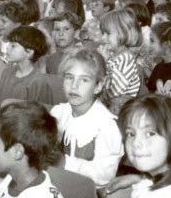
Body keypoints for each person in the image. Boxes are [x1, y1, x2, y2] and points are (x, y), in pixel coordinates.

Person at [50, 49, 123, 188]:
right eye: (69, 77)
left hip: (87, 197)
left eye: (84, 80)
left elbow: (104, 175)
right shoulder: (58, 113)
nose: (74, 86)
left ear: (98, 86)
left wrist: (65, 162)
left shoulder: (106, 126)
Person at [0, 26, 53, 110]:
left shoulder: (39, 82)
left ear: (29, 52)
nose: (7, 47)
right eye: (9, 44)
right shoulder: (5, 73)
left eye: (13, 46)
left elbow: (42, 116)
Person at [99, 9, 142, 115]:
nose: (103, 37)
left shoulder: (126, 58)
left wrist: (102, 64)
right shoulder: (112, 56)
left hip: (120, 110)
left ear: (124, 33)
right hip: (108, 106)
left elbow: (114, 91)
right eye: (102, 33)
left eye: (108, 33)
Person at [146, 21, 171, 93]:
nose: (149, 45)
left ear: (167, 44)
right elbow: (149, 91)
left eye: (152, 41)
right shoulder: (158, 67)